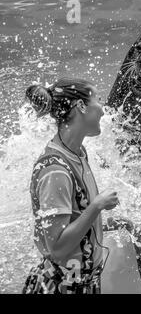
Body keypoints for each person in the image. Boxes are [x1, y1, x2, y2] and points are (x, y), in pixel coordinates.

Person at [22, 78, 121, 294]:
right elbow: (57, 249)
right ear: (81, 106)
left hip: (83, 285)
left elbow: (75, 217)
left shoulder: (78, 153)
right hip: (61, 288)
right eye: (98, 100)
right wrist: (97, 206)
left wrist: (108, 222)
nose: (103, 111)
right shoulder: (55, 170)